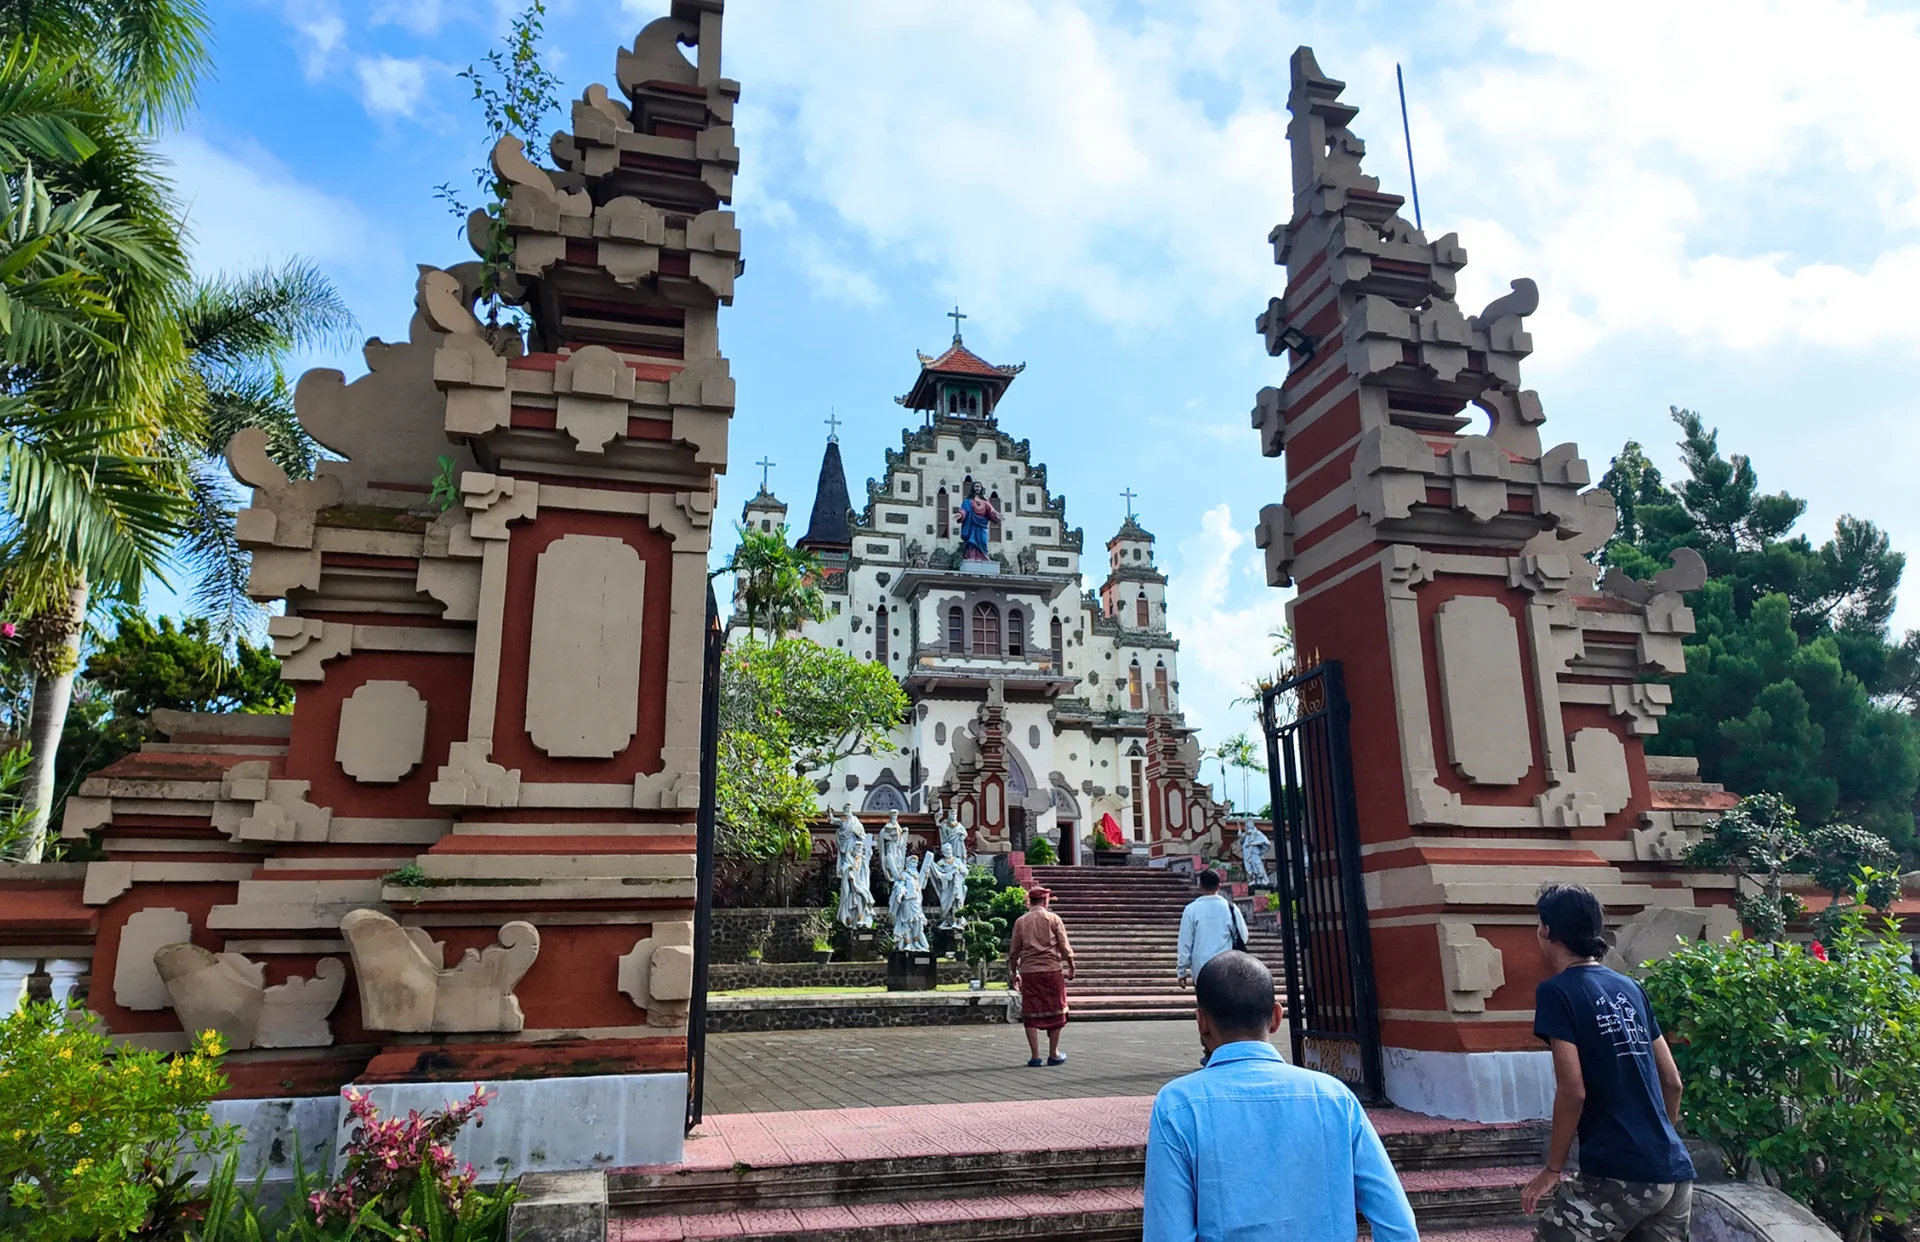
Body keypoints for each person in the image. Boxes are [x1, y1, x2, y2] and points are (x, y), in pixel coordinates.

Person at [1145, 952, 1417, 1242]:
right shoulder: (1334, 1097)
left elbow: (1167, 1234)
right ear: (1276, 1017)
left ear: (1202, 1021)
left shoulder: (1177, 1105)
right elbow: (1398, 1226)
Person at [1522, 884, 1695, 1242]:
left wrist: (1552, 1169)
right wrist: (1659, 1146)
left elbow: (1573, 1090)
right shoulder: (1632, 989)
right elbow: (1672, 1081)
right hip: (1672, 1170)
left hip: (1618, 1172)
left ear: (1547, 930)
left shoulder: (1556, 992)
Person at [1008, 886, 1075, 1067]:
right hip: (1051, 969)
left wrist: (1014, 973)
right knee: (1057, 1010)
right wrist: (1071, 967)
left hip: (1029, 971)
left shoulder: (1021, 921)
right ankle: (1053, 1053)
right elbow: (1064, 947)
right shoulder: (1054, 919)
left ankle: (1035, 1055)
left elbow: (1014, 952)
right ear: (1045, 901)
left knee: (1031, 1011)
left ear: (1030, 901)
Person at [1177, 869, 1249, 989]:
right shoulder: (1230, 908)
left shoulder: (1191, 909)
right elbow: (1244, 936)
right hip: (1226, 967)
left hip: (1201, 969)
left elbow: (1185, 942)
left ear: (1200, 886)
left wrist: (1181, 971)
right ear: (1219, 886)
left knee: (1205, 1005)